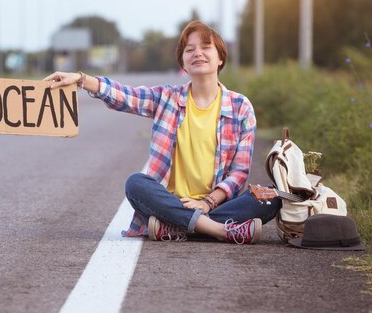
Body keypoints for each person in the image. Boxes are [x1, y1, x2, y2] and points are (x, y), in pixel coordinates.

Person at [45, 20, 281, 243]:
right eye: (189, 50)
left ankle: (178, 227)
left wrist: (207, 203)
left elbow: (239, 173)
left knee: (272, 195)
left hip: (217, 205)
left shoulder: (241, 107)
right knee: (136, 184)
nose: (197, 53)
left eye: (206, 47)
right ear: (183, 64)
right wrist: (80, 79)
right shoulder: (166, 98)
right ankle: (220, 230)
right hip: (170, 202)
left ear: (220, 58)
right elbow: (125, 95)